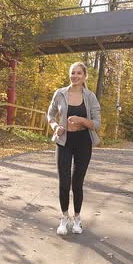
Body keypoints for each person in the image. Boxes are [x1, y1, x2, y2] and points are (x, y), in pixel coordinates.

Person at [46, 62, 101, 235]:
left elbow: (97, 124)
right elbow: (50, 114)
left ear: (84, 76)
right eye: (72, 73)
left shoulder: (90, 97)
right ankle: (64, 218)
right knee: (64, 182)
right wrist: (55, 126)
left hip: (83, 142)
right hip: (64, 141)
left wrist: (81, 120)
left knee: (77, 182)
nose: (75, 76)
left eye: (79, 73)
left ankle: (77, 218)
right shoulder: (60, 93)